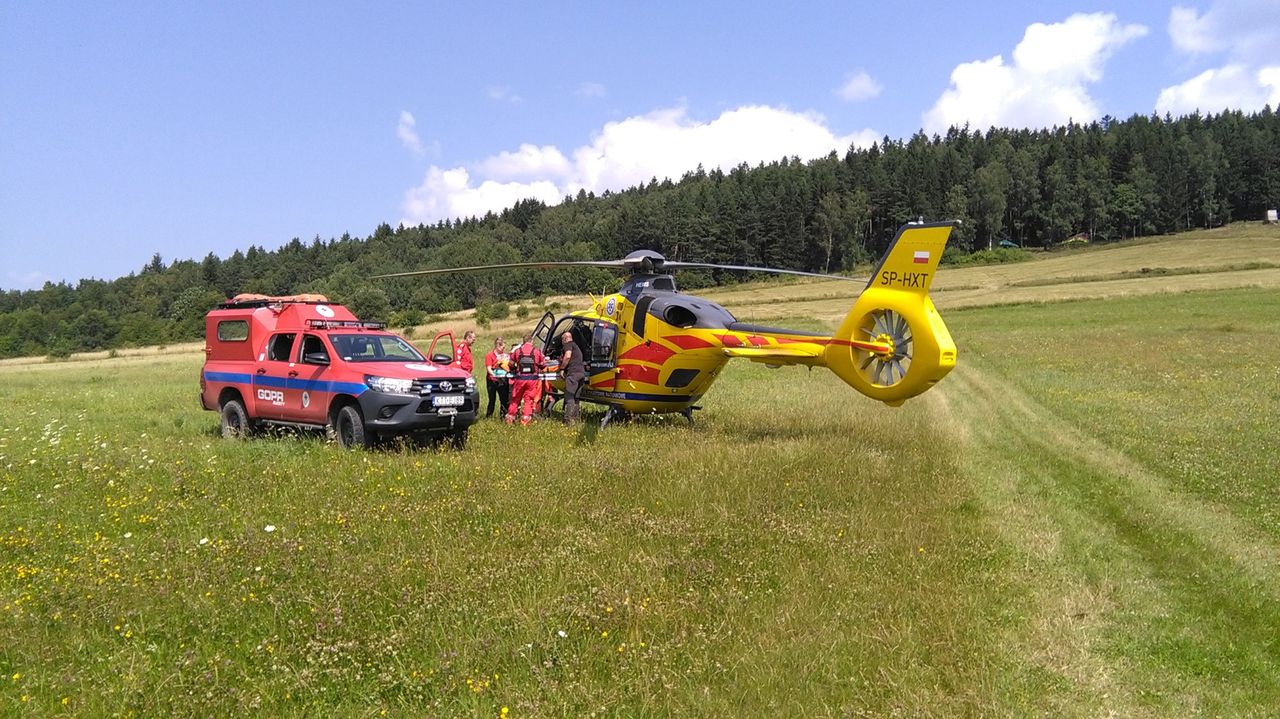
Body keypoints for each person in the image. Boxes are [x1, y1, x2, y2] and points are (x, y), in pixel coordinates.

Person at [506, 333, 545, 425]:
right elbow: (543, 364)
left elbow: (510, 363)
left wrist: (514, 368)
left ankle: (510, 420)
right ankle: (525, 421)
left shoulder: (517, 351)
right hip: (532, 379)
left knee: (515, 399)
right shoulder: (537, 351)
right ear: (531, 341)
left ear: (523, 342)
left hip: (520, 379)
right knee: (529, 400)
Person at [558, 330, 585, 424]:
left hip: (573, 374)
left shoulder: (568, 345)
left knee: (569, 396)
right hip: (581, 374)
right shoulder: (576, 347)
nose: (561, 342)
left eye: (562, 339)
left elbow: (568, 356)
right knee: (576, 398)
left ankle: (568, 420)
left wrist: (562, 368)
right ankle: (576, 418)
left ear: (565, 338)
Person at [483, 336, 511, 419]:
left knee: (504, 399)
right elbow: (488, 368)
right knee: (492, 400)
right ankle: (489, 416)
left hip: (502, 380)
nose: (503, 349)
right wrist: (495, 374)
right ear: (498, 346)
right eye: (503, 347)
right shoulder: (489, 355)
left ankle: (503, 416)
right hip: (492, 380)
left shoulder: (505, 356)